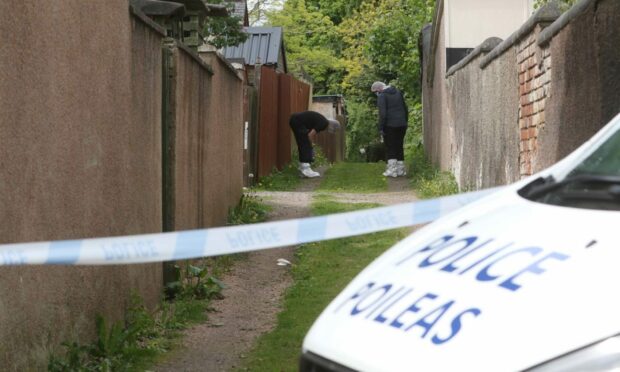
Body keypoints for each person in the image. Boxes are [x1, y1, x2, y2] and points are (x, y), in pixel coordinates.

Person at [371, 81, 408, 177]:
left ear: (379, 89)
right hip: (402, 124)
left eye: (375, 92)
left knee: (390, 147)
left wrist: (381, 128)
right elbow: (405, 108)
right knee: (399, 146)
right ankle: (401, 170)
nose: (376, 94)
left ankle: (392, 171)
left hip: (390, 125)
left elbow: (383, 114)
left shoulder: (382, 96)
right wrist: (405, 121)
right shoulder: (398, 92)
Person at [289, 111, 340, 178]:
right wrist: (311, 147)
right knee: (305, 144)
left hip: (295, 119)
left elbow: (309, 134)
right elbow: (310, 135)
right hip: (298, 121)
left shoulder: (322, 121)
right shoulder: (324, 123)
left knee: (303, 143)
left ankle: (302, 168)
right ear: (332, 125)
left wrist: (311, 146)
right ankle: (306, 169)